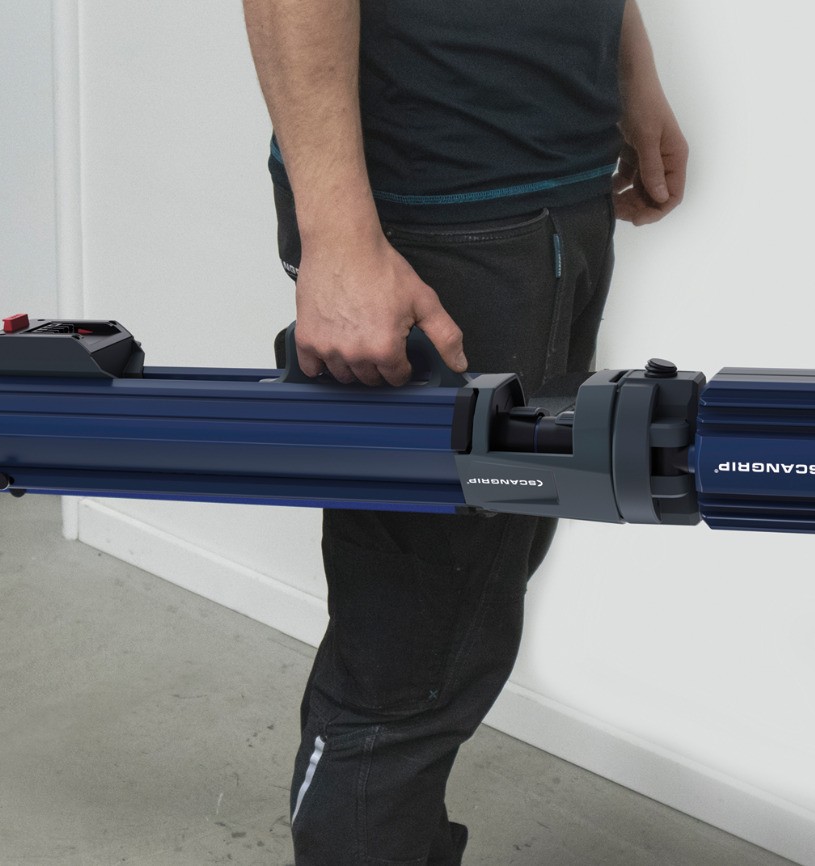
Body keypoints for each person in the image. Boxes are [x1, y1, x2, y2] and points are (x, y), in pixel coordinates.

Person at [241, 1, 688, 862]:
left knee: (471, 604)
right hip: (439, 213)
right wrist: (338, 240)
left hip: (556, 186)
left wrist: (631, 77)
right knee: (408, 661)